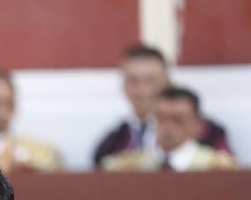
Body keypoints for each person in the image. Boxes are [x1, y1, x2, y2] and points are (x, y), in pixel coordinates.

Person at [92, 43, 233, 169]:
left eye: (150, 80)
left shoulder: (208, 133)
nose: (142, 91)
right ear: (123, 86)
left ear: (167, 81)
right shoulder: (113, 143)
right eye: (133, 81)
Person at [102, 85, 239, 171]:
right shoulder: (126, 167)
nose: (168, 126)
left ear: (198, 125)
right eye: (161, 118)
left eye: (177, 120)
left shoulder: (219, 168)